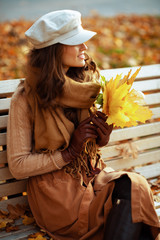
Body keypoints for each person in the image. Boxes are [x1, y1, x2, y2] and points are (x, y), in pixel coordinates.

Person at [7, 10, 160, 240]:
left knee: (135, 189)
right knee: (134, 199)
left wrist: (101, 137)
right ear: (54, 49)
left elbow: (91, 148)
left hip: (94, 178)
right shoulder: (26, 98)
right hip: (57, 196)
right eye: (76, 41)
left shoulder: (86, 86)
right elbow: (18, 165)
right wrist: (68, 153)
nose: (85, 47)